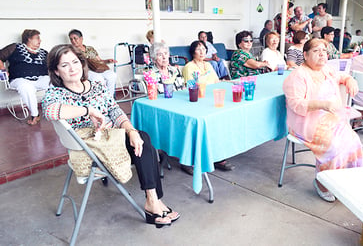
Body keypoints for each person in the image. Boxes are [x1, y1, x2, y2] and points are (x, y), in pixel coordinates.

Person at [42, 44, 179, 227]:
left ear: (82, 63)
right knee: (146, 146)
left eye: (75, 62)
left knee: (141, 138)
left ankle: (153, 200)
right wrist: (87, 110)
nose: (72, 68)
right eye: (65, 65)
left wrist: (130, 131)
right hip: (90, 150)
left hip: (110, 139)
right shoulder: (55, 93)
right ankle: (153, 203)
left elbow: (114, 111)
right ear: (56, 71)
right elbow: (50, 111)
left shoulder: (97, 86)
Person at [283, 38, 363, 202]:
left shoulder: (327, 70)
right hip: (305, 122)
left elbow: (342, 76)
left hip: (330, 118)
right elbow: (295, 104)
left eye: (324, 51)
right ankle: (323, 183)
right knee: (334, 145)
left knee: (353, 141)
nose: (322, 54)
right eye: (316, 51)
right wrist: (323, 104)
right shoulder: (297, 75)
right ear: (305, 55)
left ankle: (343, 181)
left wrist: (350, 80)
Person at [182, 40, 235, 171]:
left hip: (213, 98)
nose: (202, 52)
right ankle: (191, 160)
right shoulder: (189, 67)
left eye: (204, 49)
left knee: (220, 122)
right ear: (193, 52)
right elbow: (191, 86)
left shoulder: (208, 65)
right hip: (198, 99)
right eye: (198, 49)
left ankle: (217, 156)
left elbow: (217, 81)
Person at [150, 42, 192, 175]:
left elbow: (181, 88)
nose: (164, 57)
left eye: (166, 54)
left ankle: (189, 154)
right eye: (159, 55)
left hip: (179, 105)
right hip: (162, 109)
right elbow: (154, 95)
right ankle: (184, 159)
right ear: (153, 58)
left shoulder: (175, 70)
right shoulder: (150, 74)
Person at [0, 29, 49, 125]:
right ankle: (35, 115)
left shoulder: (43, 52)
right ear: (29, 39)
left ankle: (58, 110)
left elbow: (53, 65)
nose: (40, 40)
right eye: (37, 38)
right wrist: (3, 69)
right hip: (20, 79)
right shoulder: (15, 47)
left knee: (54, 82)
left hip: (40, 79)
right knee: (26, 87)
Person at [68, 29, 117, 96]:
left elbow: (99, 61)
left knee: (112, 75)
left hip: (97, 68)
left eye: (75, 38)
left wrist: (107, 61)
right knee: (99, 79)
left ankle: (110, 97)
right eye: (71, 39)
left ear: (81, 38)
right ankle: (101, 98)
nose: (73, 41)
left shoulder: (90, 48)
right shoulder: (72, 51)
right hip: (86, 71)